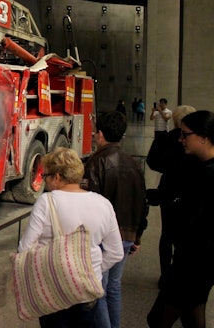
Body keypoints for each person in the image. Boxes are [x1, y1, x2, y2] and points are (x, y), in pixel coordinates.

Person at [18, 147, 124, 328]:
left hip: (54, 290)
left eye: (46, 176)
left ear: (57, 177)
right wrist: (91, 269)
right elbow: (116, 252)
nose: (45, 181)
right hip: (88, 290)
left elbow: (25, 249)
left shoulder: (47, 202)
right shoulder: (103, 203)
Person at [147, 110, 214, 328]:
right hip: (193, 261)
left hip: (194, 263)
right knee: (193, 316)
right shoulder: (196, 164)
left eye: (185, 134)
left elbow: (199, 224)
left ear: (203, 137)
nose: (180, 139)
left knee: (158, 319)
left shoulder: (208, 174)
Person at [82, 111, 147, 328]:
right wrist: (137, 235)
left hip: (103, 239)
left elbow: (90, 204)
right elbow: (143, 203)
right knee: (114, 287)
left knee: (98, 288)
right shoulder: (134, 163)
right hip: (127, 235)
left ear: (100, 134)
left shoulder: (95, 163)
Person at [146, 105, 197, 289]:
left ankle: (165, 274)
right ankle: (180, 273)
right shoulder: (194, 142)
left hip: (168, 189)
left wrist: (167, 168)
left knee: (166, 233)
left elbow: (152, 161)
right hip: (189, 191)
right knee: (185, 234)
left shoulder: (165, 138)